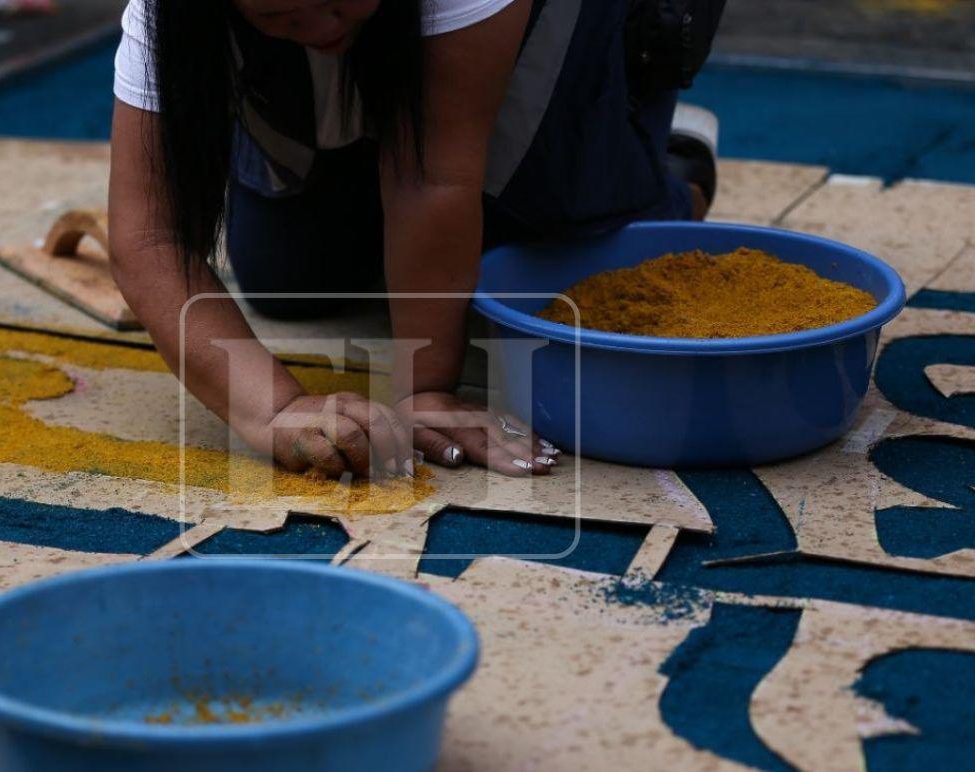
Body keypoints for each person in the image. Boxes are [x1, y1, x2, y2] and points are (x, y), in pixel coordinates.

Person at [109, 0, 721, 482]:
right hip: (379, 41)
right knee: (288, 277)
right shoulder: (167, 12)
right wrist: (271, 409)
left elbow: (429, 178)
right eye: (276, 11)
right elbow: (147, 236)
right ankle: (359, 139)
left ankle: (667, 164)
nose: (320, 25)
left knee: (550, 237)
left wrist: (424, 386)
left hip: (523, 30)